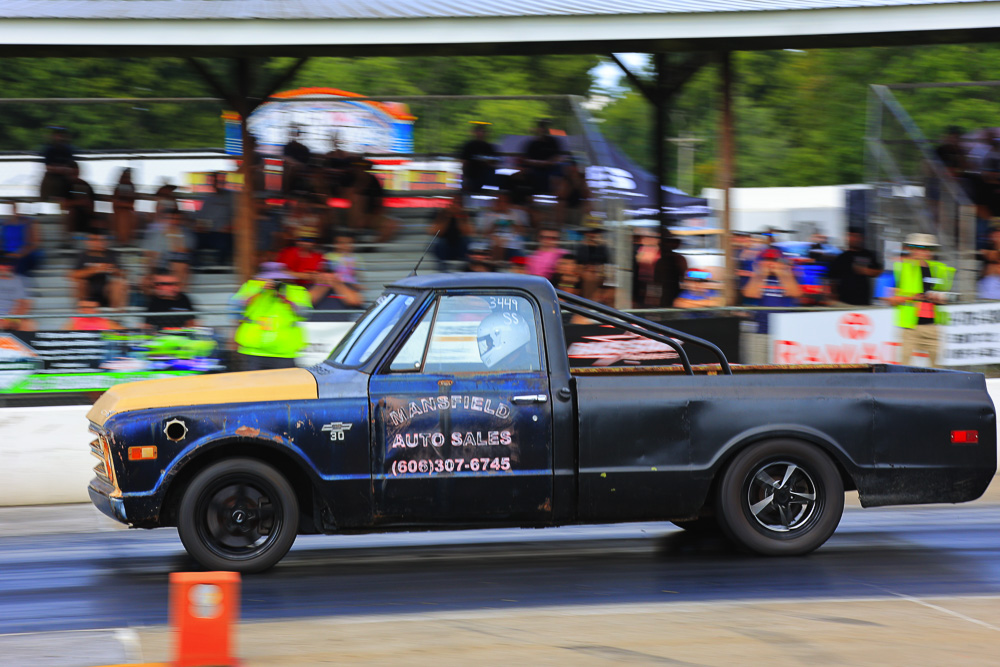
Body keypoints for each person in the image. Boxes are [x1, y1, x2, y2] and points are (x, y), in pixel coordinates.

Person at [888, 233, 955, 367]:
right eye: (921, 248)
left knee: (937, 366)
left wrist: (940, 298)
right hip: (910, 327)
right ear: (911, 249)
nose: (925, 251)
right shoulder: (901, 268)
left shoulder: (938, 269)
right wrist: (912, 298)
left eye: (928, 248)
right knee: (904, 365)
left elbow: (944, 295)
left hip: (932, 326)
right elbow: (891, 299)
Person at [231, 262, 313, 370]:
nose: (272, 281)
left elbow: (305, 313)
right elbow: (236, 307)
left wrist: (284, 297)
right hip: (253, 351)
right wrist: (259, 290)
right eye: (269, 278)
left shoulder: (296, 291)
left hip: (284, 353)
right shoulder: (251, 287)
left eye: (276, 279)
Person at [70, 232, 127, 309]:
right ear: (87, 242)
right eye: (94, 240)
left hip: (107, 291)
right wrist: (94, 269)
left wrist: (113, 270)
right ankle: (83, 309)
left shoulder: (112, 254)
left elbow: (123, 274)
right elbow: (73, 275)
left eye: (101, 239)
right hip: (88, 290)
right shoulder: (82, 255)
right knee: (79, 282)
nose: (98, 242)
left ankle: (117, 313)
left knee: (119, 283)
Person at [827, 229, 884, 306]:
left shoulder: (867, 254)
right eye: (851, 236)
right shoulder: (841, 257)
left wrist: (864, 270)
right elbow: (832, 278)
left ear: (861, 238)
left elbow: (878, 271)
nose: (853, 239)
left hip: (863, 299)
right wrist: (833, 294)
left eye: (856, 236)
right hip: (844, 300)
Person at [195, 171, 234, 267]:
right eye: (215, 181)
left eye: (220, 180)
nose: (217, 183)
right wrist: (200, 226)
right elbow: (201, 217)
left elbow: (237, 215)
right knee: (192, 240)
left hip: (223, 233)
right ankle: (198, 266)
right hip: (208, 232)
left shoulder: (232, 197)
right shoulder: (208, 199)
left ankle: (220, 267)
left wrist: (230, 226)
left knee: (223, 242)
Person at [521, 118, 564, 196]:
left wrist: (549, 163)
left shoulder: (554, 142)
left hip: (551, 168)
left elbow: (557, 157)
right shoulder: (532, 143)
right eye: (542, 127)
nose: (544, 130)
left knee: (557, 174)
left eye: (545, 127)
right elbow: (526, 159)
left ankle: (555, 196)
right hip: (535, 168)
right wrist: (538, 163)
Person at [430, 194, 473, 271]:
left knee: (468, 241)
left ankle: (466, 265)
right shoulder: (442, 213)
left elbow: (468, 232)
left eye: (458, 202)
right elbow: (436, 232)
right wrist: (448, 216)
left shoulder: (463, 214)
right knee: (438, 242)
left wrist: (458, 216)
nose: (455, 205)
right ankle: (442, 264)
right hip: (445, 245)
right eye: (454, 202)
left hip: (460, 245)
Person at [459, 122, 498, 203]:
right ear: (474, 132)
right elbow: (464, 162)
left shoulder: (489, 147)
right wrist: (465, 177)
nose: (480, 133)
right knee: (468, 196)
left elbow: (494, 162)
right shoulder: (469, 146)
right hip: (471, 176)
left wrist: (487, 162)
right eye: (478, 131)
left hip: (486, 177)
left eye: (482, 131)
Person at [0, 201, 42, 277]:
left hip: (25, 255)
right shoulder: (4, 224)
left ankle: (18, 279)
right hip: (9, 255)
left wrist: (19, 254)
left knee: (19, 263)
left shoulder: (29, 223)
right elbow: (2, 244)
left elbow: (34, 244)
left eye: (14, 208)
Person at [39, 126, 76, 203]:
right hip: (52, 178)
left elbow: (72, 167)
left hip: (65, 177)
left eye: (62, 136)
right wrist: (60, 169)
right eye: (58, 135)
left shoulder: (68, 149)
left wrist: (61, 169)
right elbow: (48, 167)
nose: (60, 138)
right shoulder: (49, 150)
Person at [652, 230, 688, 308]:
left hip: (671, 295)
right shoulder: (677, 259)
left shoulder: (678, 259)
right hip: (667, 295)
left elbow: (656, 281)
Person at [0, 254, 34, 331]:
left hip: (12, 317)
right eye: (3, 264)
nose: (7, 267)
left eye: (9, 264)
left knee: (29, 324)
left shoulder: (19, 280)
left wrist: (11, 319)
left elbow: (24, 304)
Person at [575, 226, 609, 300]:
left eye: (595, 233)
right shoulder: (582, 247)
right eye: (590, 233)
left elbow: (604, 263)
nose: (592, 235)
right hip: (586, 277)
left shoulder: (603, 248)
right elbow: (580, 263)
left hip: (598, 275)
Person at [555, 159, 591, 227]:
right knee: (560, 204)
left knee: (587, 204)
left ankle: (585, 226)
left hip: (578, 204)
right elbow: (561, 195)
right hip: (566, 204)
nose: (572, 169)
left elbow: (587, 195)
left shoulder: (582, 179)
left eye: (574, 167)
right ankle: (561, 227)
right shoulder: (564, 179)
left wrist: (578, 182)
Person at [64, 162, 96, 238]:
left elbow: (92, 206)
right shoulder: (66, 186)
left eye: (76, 172)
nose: (74, 175)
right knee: (72, 213)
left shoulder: (86, 185)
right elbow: (64, 204)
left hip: (85, 218)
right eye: (72, 173)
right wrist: (80, 202)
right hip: (71, 218)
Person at [111, 168, 138, 246]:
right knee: (123, 216)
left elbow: (132, 204)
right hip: (119, 212)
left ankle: (126, 242)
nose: (126, 179)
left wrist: (126, 205)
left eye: (128, 177)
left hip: (128, 212)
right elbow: (115, 203)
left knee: (128, 216)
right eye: (125, 176)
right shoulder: (118, 187)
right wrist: (125, 205)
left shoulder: (131, 186)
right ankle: (122, 241)